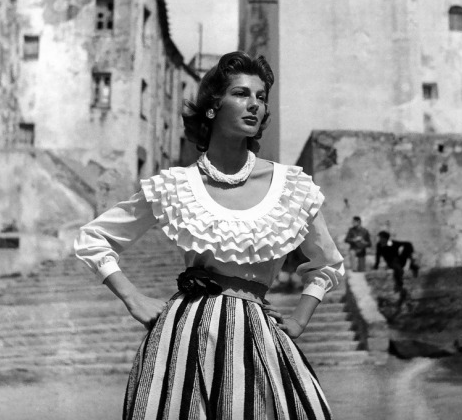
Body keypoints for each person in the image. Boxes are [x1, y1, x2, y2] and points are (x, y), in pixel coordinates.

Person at [74, 51, 344, 420]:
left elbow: (327, 263)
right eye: (241, 93)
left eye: (261, 97)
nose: (255, 105)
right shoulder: (176, 185)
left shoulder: (290, 187)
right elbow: (94, 238)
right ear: (213, 108)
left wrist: (299, 319)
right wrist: (133, 298)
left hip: (258, 338)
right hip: (184, 337)